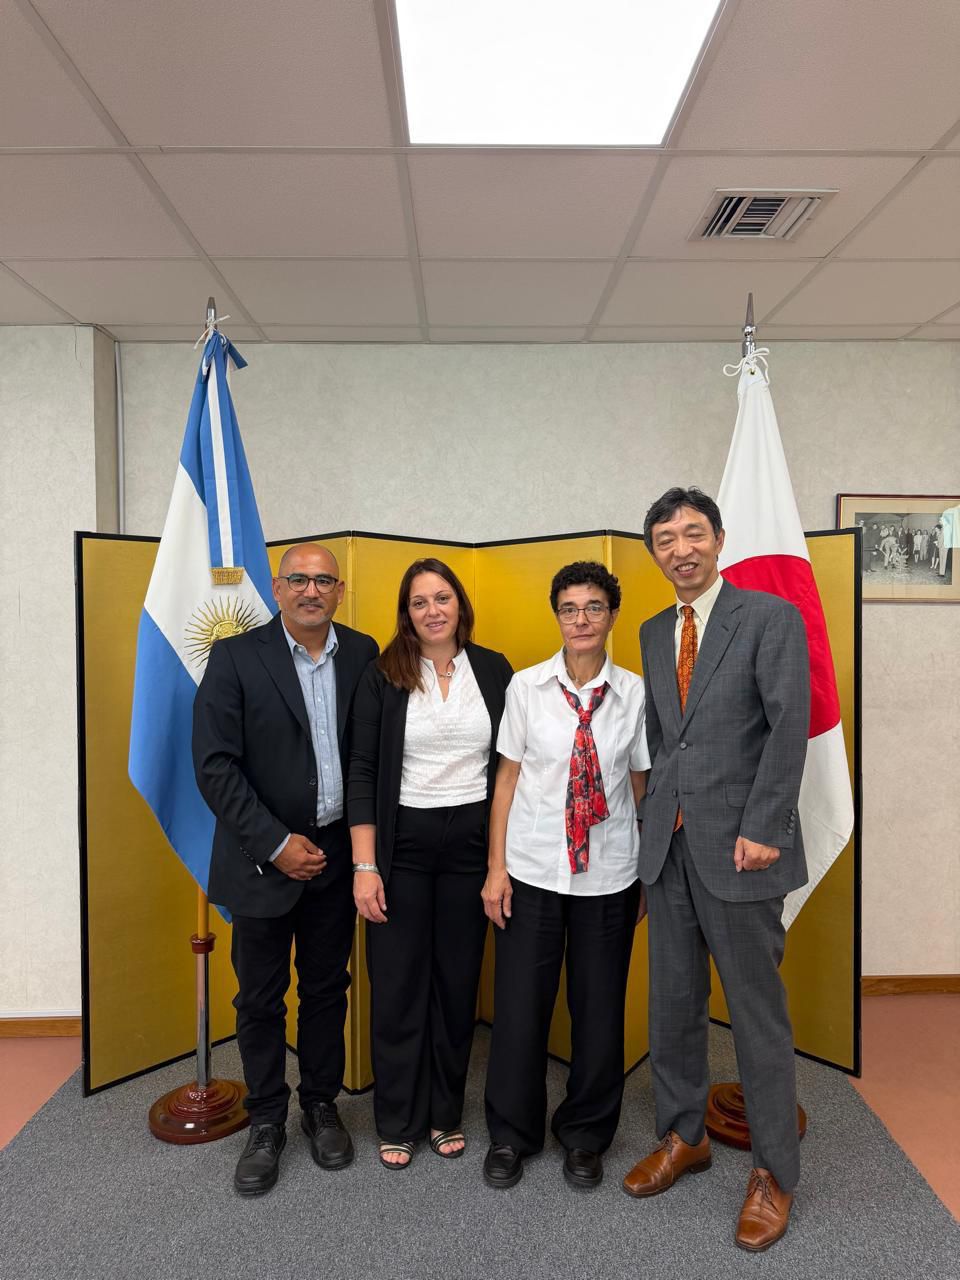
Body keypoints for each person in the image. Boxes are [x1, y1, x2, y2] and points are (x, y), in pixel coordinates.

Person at [622, 488, 809, 1253]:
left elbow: (788, 723)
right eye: (665, 538)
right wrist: (648, 829)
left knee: (756, 1017)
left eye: (693, 532)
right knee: (672, 1005)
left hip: (742, 847)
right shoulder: (651, 629)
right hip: (669, 850)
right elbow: (670, 743)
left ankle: (774, 1173)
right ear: (655, 553)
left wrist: (764, 827)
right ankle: (683, 1136)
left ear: (720, 538)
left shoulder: (768, 617)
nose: (681, 548)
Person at [192, 543, 378, 1195]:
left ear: (339, 590)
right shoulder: (236, 657)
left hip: (335, 857)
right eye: (297, 578)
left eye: (323, 580)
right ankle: (266, 1120)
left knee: (328, 990)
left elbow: (369, 755)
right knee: (260, 1000)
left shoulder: (362, 653)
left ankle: (320, 1105)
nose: (310, 589)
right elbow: (214, 764)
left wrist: (360, 852)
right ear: (276, 588)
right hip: (261, 864)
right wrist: (275, 843)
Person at [481, 561, 649, 1192]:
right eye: (570, 608)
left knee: (599, 1013)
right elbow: (507, 782)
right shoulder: (526, 688)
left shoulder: (634, 693)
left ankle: (585, 1134)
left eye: (595, 607)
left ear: (612, 615)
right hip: (531, 870)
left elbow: (639, 789)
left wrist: (644, 875)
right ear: (557, 616)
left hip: (608, 875)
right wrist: (496, 869)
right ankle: (512, 1133)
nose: (582, 619)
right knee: (521, 1011)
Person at [348, 559, 513, 1169]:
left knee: (455, 984)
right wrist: (365, 866)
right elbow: (362, 772)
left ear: (460, 604)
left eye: (442, 597)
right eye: (419, 602)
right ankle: (397, 1117)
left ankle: (445, 1112)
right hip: (401, 850)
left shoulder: (494, 670)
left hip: (472, 850)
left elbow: (509, 768)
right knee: (397, 986)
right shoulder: (382, 675)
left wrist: (500, 860)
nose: (432, 610)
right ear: (406, 612)